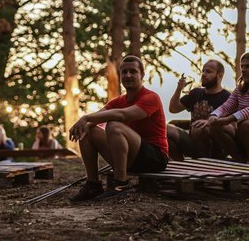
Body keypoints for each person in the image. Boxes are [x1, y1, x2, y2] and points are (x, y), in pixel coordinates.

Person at [69, 55, 169, 201]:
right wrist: (84, 124)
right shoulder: (119, 101)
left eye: (133, 71)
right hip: (131, 156)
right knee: (88, 130)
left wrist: (86, 118)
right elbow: (99, 116)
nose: (128, 75)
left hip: (154, 158)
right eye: (124, 72)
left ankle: (120, 184)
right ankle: (93, 184)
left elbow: (122, 115)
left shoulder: (151, 98)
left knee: (114, 125)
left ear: (142, 75)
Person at [166, 60, 230, 160]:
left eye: (208, 71)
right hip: (193, 141)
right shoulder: (196, 93)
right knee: (164, 129)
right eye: (203, 71)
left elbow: (232, 126)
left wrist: (210, 123)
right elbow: (173, 109)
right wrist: (179, 89)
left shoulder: (227, 97)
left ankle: (206, 164)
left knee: (199, 128)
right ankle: (180, 163)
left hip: (216, 149)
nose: (203, 74)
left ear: (219, 75)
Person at [192, 52, 249, 162]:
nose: (243, 69)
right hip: (242, 135)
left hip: (245, 128)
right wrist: (214, 116)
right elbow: (226, 106)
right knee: (214, 125)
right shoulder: (240, 90)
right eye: (242, 66)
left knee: (246, 124)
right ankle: (240, 161)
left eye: (248, 66)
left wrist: (228, 119)